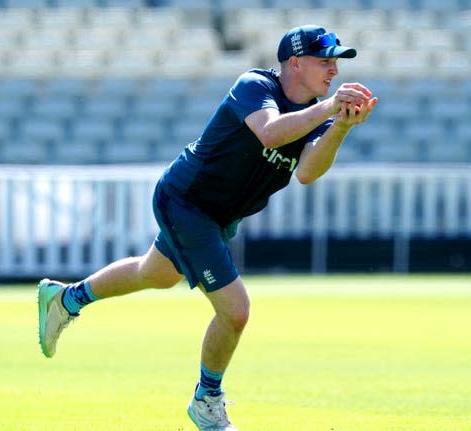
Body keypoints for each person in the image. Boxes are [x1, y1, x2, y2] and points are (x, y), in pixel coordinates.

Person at [38, 24, 377, 431]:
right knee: (236, 311)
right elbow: (270, 134)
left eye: (336, 63)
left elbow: (307, 172)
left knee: (155, 274)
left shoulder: (318, 115)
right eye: (326, 61)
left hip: (217, 215)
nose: (334, 72)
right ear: (294, 63)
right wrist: (327, 110)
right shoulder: (254, 85)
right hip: (186, 200)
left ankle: (66, 300)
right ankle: (207, 400)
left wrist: (339, 125)